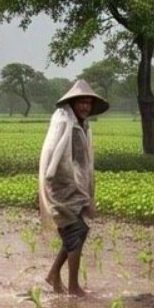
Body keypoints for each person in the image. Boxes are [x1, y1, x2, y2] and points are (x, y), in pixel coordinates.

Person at [39, 79, 109, 296]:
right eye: (82, 102)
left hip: (73, 188)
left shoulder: (80, 124)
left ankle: (53, 275)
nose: (86, 107)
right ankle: (73, 287)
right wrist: (74, 189)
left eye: (88, 103)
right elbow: (56, 159)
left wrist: (84, 192)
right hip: (61, 186)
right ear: (73, 103)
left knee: (75, 233)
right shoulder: (64, 122)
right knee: (77, 231)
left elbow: (81, 163)